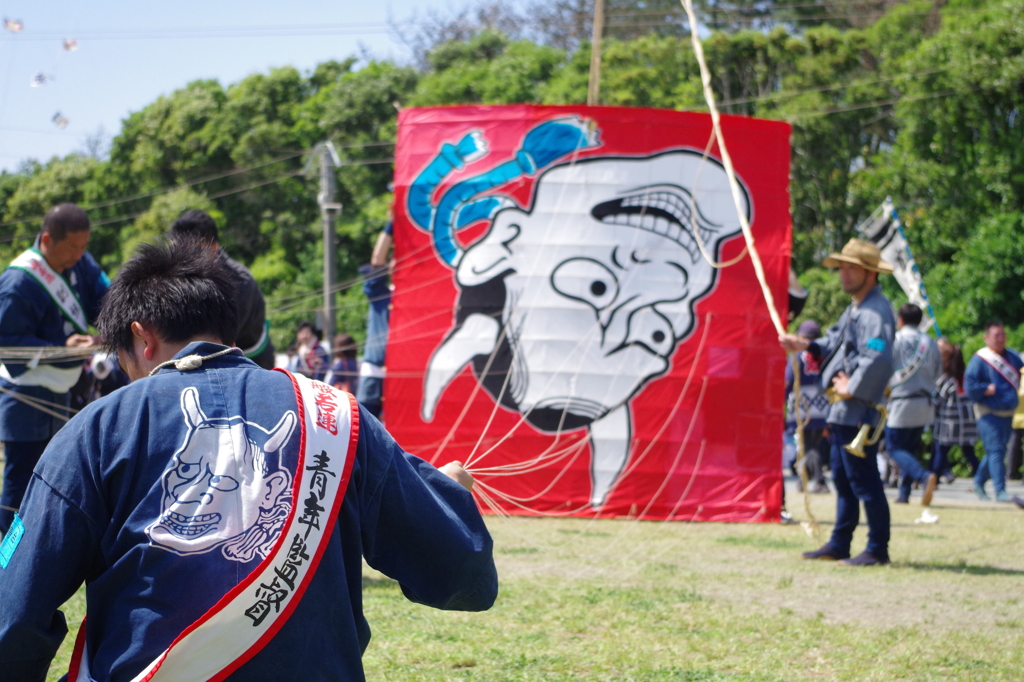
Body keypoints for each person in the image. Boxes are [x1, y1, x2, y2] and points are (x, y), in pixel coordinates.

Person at [0, 237, 497, 681]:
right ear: (230, 330)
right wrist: (446, 498)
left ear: (142, 337)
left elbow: (13, 616)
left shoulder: (97, 429)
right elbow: (463, 575)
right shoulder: (337, 418)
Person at [780, 239, 896, 566]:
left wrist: (851, 387)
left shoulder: (875, 311)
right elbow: (832, 342)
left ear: (870, 273)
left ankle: (877, 548)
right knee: (844, 479)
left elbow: (878, 358)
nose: (844, 274)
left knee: (864, 479)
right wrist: (802, 343)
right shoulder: (857, 307)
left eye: (852, 268)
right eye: (842, 267)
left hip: (857, 408)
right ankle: (840, 542)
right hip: (843, 409)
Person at [0, 203, 109, 535]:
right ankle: (9, 556)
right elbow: (7, 344)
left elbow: (105, 296)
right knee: (22, 479)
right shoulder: (18, 282)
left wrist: (109, 329)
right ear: (47, 239)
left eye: (84, 247)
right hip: (25, 392)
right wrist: (62, 349)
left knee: (54, 472)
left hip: (63, 387)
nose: (80, 255)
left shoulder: (81, 263)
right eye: (73, 247)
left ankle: (40, 546)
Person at [169, 209, 276, 370]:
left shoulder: (239, 281)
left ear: (214, 248)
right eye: (178, 250)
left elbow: (219, 340)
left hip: (249, 360)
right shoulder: (178, 274)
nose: (185, 258)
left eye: (193, 251)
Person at [885, 304, 940, 506]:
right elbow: (937, 372)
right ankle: (904, 493)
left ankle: (923, 476)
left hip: (901, 401)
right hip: (925, 401)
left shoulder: (895, 340)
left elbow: (886, 368)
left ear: (900, 319)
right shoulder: (930, 342)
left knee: (894, 448)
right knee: (910, 449)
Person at [964, 319, 1023, 502]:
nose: (1000, 339)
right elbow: (970, 385)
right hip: (987, 411)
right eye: (996, 335)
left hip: (1007, 411)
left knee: (996, 451)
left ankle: (979, 482)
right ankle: (1000, 490)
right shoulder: (980, 359)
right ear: (986, 337)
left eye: (1003, 335)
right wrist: (985, 389)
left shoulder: (1013, 357)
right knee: (996, 450)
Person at [784, 319, 830, 494]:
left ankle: (820, 481)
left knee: (807, 445)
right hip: (821, 403)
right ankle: (804, 480)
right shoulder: (823, 353)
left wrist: (781, 399)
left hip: (802, 404)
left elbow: (788, 379)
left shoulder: (796, 355)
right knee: (814, 443)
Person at [355, 217, 393, 419]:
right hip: (375, 371)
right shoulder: (381, 293)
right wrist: (391, 224)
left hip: (403, 374)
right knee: (364, 430)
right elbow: (377, 260)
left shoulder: (420, 301)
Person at [931, 340, 979, 481]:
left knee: (941, 451)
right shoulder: (966, 377)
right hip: (968, 422)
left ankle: (933, 479)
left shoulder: (945, 380)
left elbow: (937, 401)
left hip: (949, 423)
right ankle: (980, 477)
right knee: (969, 452)